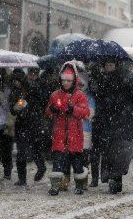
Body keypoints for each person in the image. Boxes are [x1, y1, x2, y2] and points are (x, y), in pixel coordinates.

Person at [90, 57, 133, 194]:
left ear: (116, 65)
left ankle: (116, 176)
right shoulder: (101, 79)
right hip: (106, 121)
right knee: (108, 150)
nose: (108, 68)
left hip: (124, 120)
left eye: (111, 65)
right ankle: (111, 176)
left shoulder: (128, 78)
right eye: (107, 65)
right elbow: (97, 96)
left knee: (122, 150)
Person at [45, 61, 89, 195]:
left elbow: (85, 112)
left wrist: (73, 109)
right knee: (57, 162)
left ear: (74, 80)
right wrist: (52, 109)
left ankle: (80, 185)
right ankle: (55, 186)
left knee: (77, 163)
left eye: (68, 80)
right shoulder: (55, 95)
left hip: (74, 135)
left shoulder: (79, 95)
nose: (65, 83)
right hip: (59, 134)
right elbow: (48, 112)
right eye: (63, 80)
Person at [11, 67, 48, 186]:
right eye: (30, 74)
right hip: (22, 123)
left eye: (34, 74)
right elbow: (14, 106)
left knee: (36, 149)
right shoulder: (18, 90)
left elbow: (42, 98)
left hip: (35, 122)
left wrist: (29, 91)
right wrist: (16, 106)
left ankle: (41, 167)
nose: (32, 76)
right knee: (21, 151)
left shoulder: (39, 86)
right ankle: (22, 179)